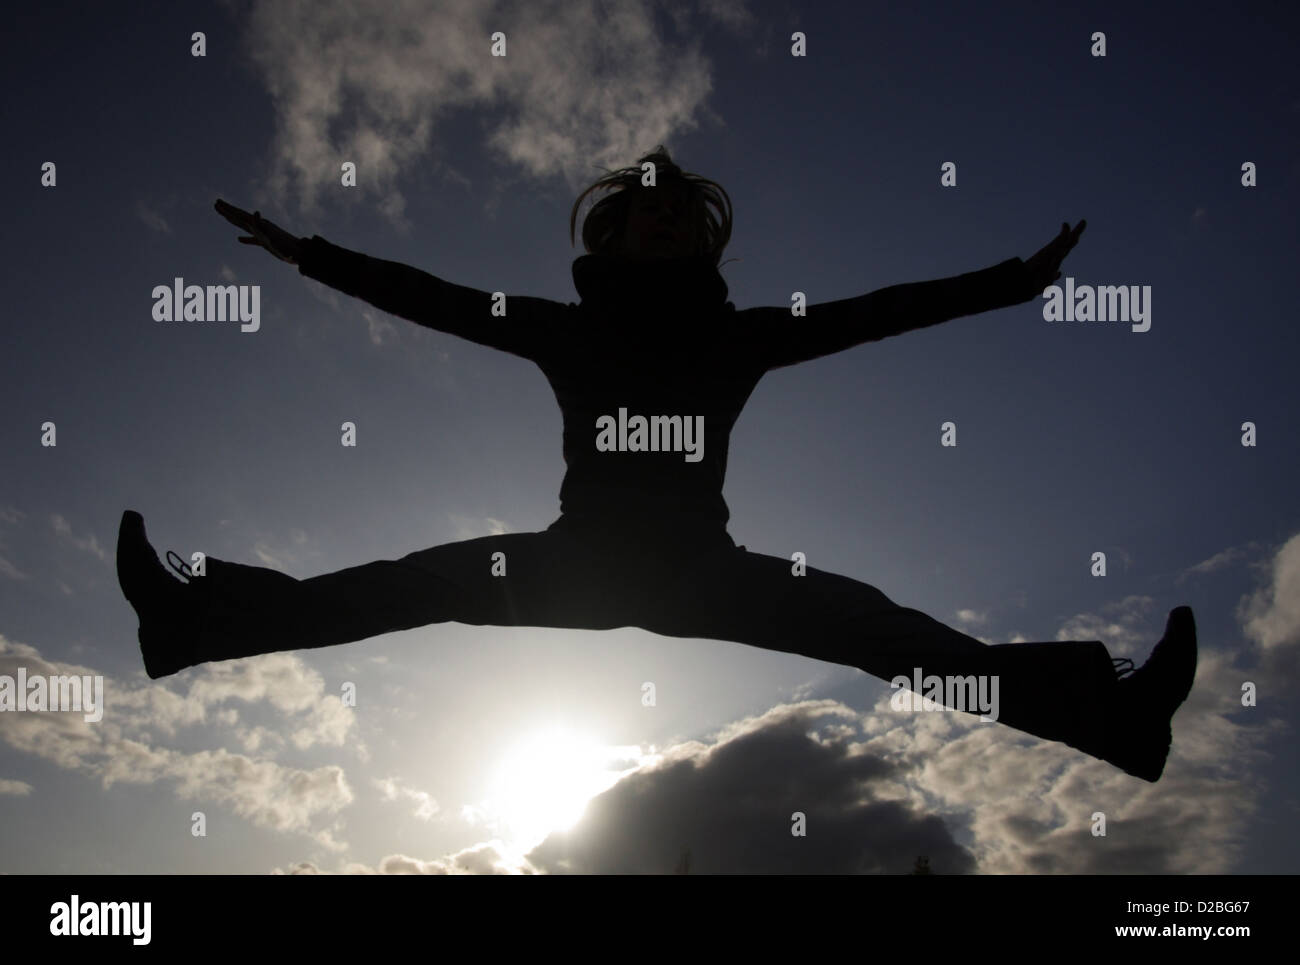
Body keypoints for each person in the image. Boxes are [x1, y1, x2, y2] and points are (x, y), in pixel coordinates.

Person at [118, 147, 1196, 782]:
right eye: (650, 213)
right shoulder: (559, 327)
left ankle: (1111, 714)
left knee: (883, 630)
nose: (668, 224)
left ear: (704, 246)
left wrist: (1010, 280)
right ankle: (190, 620)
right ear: (613, 237)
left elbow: (879, 313)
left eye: (684, 217)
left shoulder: (740, 336)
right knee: (406, 583)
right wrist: (310, 255)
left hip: (700, 567)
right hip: (575, 560)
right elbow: (432, 299)